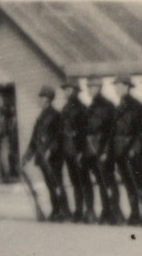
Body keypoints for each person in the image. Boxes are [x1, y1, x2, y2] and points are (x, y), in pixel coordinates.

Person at [20, 86, 69, 221]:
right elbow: (34, 140)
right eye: (40, 97)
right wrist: (26, 157)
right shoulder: (40, 117)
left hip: (53, 157)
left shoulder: (56, 116)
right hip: (43, 157)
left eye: (42, 98)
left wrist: (50, 151)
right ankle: (56, 210)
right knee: (49, 184)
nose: (39, 100)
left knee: (56, 183)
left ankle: (64, 211)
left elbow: (58, 136)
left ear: (48, 100)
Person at [114, 73, 142, 226]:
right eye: (116, 86)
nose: (117, 89)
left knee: (139, 182)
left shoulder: (136, 106)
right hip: (120, 151)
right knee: (128, 183)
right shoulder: (118, 107)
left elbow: (141, 131)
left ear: (127, 87)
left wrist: (134, 149)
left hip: (133, 151)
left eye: (119, 86)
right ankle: (135, 213)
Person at [86, 76, 121, 224]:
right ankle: (105, 210)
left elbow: (111, 131)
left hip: (104, 150)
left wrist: (106, 151)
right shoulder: (91, 107)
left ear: (99, 88)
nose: (89, 90)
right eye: (88, 87)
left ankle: (113, 211)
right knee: (101, 182)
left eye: (92, 87)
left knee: (109, 181)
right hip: (93, 150)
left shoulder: (108, 106)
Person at [60, 77, 91, 223]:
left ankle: (88, 211)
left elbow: (84, 132)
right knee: (75, 182)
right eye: (65, 89)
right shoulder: (65, 109)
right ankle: (79, 210)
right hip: (68, 151)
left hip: (78, 151)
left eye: (68, 89)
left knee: (84, 181)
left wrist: (80, 151)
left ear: (75, 91)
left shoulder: (82, 108)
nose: (66, 92)